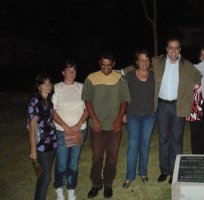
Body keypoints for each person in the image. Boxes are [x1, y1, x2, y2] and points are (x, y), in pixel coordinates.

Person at [82, 53, 130, 199]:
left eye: (109, 65)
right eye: (103, 65)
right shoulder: (91, 78)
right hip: (97, 125)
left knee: (112, 156)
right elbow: (88, 101)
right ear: (99, 63)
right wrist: (94, 119)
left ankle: (108, 183)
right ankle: (96, 184)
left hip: (114, 125)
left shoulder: (120, 79)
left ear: (113, 63)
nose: (106, 68)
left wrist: (118, 119)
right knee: (96, 156)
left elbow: (124, 101)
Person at [155, 37, 201, 184]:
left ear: (180, 50)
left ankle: (175, 171)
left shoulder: (187, 65)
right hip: (161, 106)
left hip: (178, 106)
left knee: (176, 139)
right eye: (170, 47)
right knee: (163, 139)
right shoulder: (157, 62)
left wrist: (189, 92)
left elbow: (199, 76)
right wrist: (122, 72)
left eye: (176, 48)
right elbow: (139, 67)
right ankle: (164, 170)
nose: (173, 51)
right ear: (166, 49)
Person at [52, 60, 88, 200]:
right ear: (63, 72)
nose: (71, 73)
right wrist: (66, 127)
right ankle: (59, 188)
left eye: (74, 70)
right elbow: (52, 111)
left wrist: (79, 124)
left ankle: (71, 189)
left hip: (80, 130)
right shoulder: (56, 88)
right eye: (68, 70)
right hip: (62, 131)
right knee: (61, 162)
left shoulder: (82, 87)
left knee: (74, 162)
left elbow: (88, 109)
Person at [122, 50, 156, 189]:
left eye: (147, 60)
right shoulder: (129, 76)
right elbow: (122, 95)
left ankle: (143, 172)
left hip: (149, 115)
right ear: (136, 61)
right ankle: (129, 176)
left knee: (145, 144)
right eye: (141, 60)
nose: (144, 62)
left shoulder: (154, 75)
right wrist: (123, 113)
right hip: (133, 115)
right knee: (133, 145)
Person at [27, 73, 57, 200]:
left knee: (44, 175)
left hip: (53, 142)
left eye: (49, 83)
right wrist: (33, 150)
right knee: (45, 177)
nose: (48, 86)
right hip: (41, 145)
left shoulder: (49, 101)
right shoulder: (34, 102)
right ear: (39, 86)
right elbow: (31, 128)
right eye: (44, 83)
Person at [186, 47, 204, 154]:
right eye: (202, 54)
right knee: (195, 134)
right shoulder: (193, 68)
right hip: (195, 105)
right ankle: (196, 157)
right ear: (199, 56)